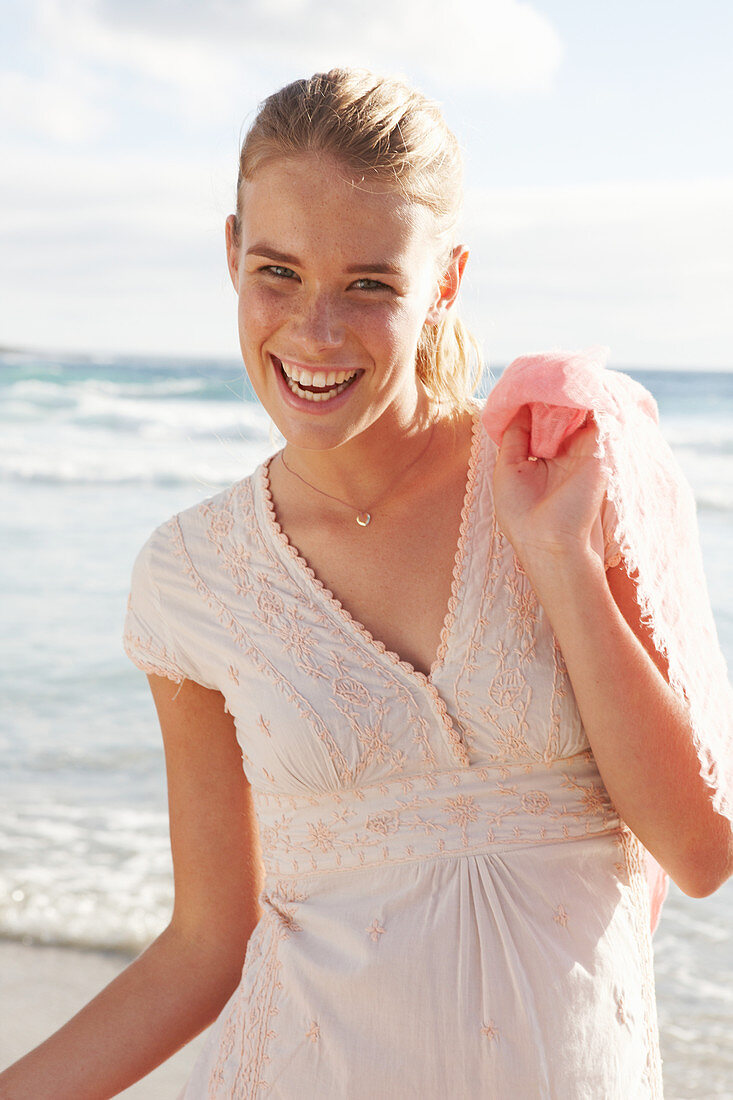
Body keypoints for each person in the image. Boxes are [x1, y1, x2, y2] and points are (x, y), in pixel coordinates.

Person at [2, 67, 731, 1100]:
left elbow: (699, 849)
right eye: (277, 272)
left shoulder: (566, 470)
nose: (315, 329)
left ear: (446, 278)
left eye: (370, 283)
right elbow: (207, 942)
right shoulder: (191, 576)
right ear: (229, 254)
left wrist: (560, 560)